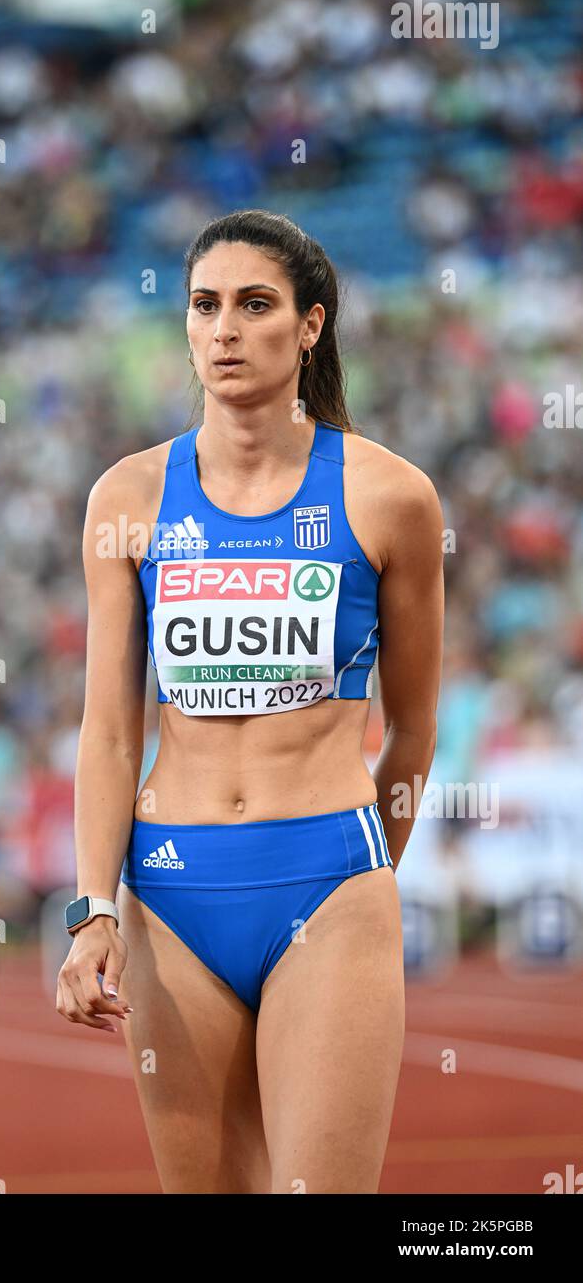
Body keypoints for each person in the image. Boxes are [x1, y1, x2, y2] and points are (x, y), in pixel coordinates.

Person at [57, 209, 444, 1194]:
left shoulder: (387, 497)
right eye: (203, 305)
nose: (223, 328)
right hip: (173, 890)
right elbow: (107, 730)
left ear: (309, 325)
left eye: (254, 304)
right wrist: (90, 910)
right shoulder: (127, 499)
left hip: (324, 878)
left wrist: (360, 874)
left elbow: (411, 727)